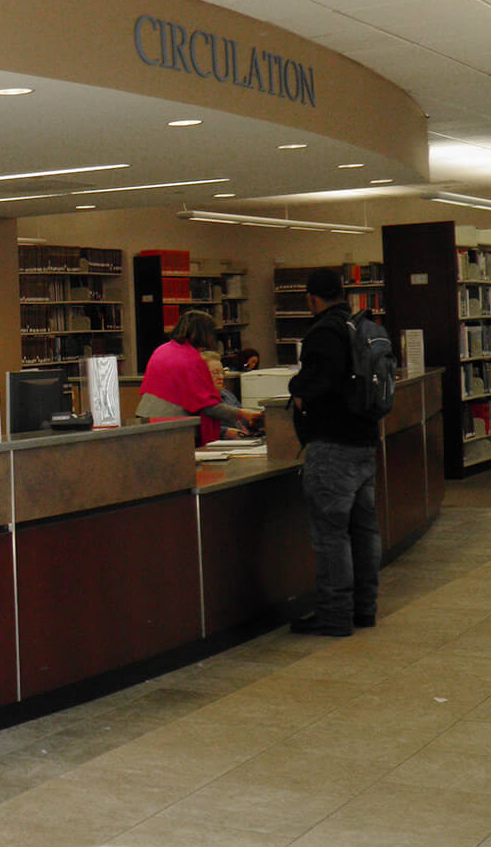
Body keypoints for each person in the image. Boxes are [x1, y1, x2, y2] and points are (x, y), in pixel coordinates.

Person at [287, 268, 382, 637]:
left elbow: (315, 383)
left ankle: (334, 614)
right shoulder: (360, 326)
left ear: (312, 298)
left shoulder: (323, 332)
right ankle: (364, 608)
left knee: (330, 533)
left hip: (332, 446)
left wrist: (296, 385)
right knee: (364, 530)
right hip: (364, 441)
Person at [136, 310, 262, 443]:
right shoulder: (191, 359)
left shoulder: (162, 350)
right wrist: (243, 413)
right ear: (204, 334)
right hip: (172, 423)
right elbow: (208, 406)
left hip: (145, 416)